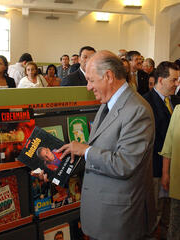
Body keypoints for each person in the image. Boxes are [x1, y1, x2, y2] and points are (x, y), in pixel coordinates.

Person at [56, 50, 156, 239]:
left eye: (91, 80)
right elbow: (98, 151)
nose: (88, 87)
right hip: (102, 214)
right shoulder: (106, 104)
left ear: (108, 76)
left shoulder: (138, 110)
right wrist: (55, 168)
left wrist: (85, 149)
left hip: (120, 220)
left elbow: (124, 164)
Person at [143, 61, 179, 239]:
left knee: (169, 214)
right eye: (174, 80)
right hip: (155, 168)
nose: (177, 83)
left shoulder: (177, 101)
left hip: (175, 168)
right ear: (161, 80)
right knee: (154, 213)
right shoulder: (145, 102)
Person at [160, 105, 180, 240]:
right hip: (178, 181)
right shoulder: (178, 110)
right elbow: (168, 145)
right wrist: (165, 172)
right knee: (175, 224)